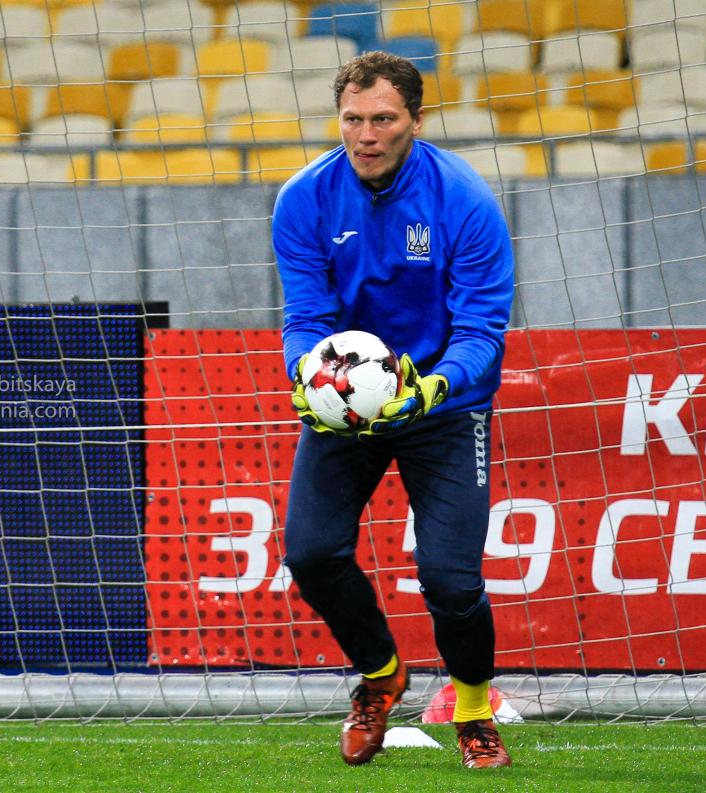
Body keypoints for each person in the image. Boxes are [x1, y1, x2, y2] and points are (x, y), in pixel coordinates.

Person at [271, 51, 515, 769]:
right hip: (348, 406)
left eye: (383, 119)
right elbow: (305, 316)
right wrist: (305, 373)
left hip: (445, 404)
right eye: (353, 119)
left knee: (451, 580)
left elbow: (482, 332)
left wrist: (433, 386)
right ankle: (381, 676)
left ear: (416, 120)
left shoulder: (464, 200)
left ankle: (474, 713)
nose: (366, 135)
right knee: (310, 553)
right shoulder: (303, 199)